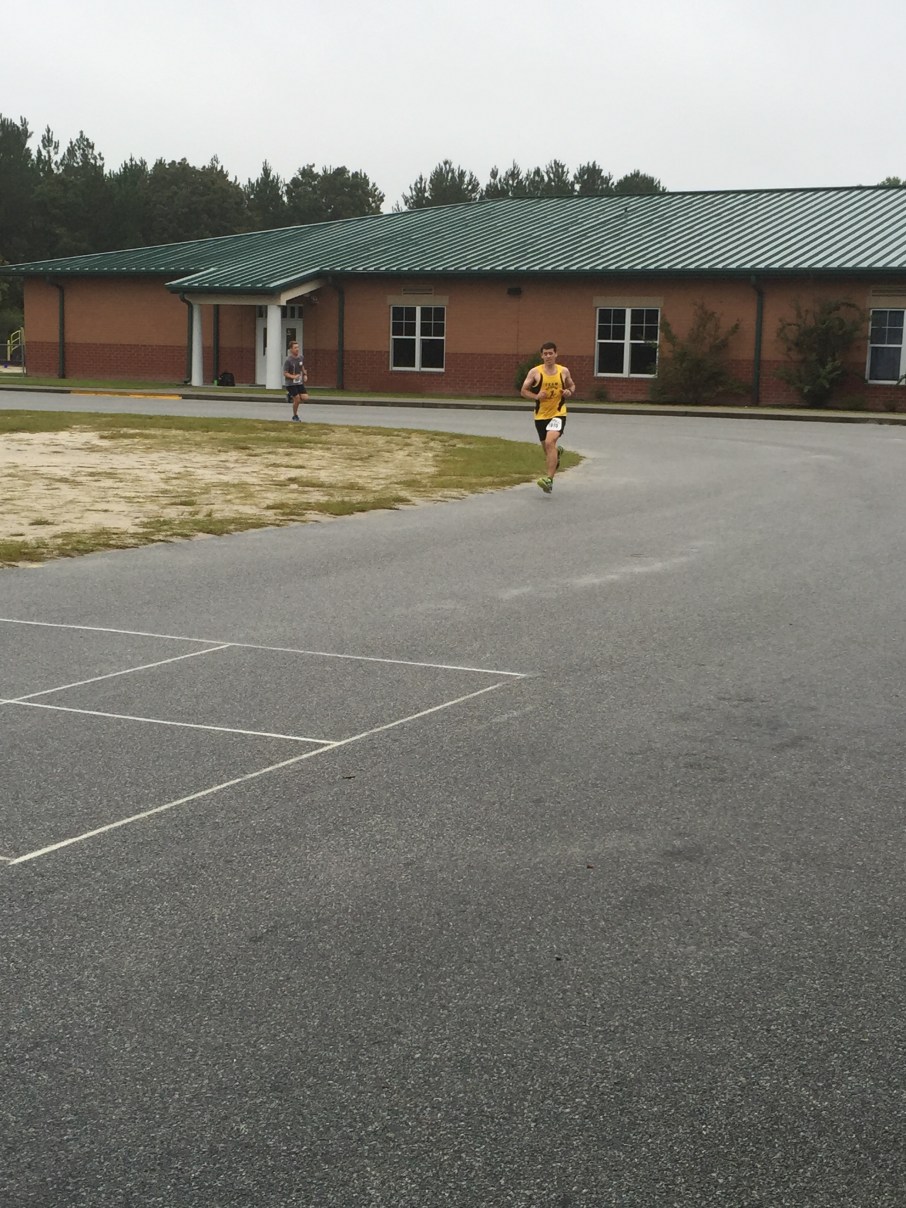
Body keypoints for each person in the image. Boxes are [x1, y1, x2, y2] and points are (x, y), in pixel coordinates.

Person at [520, 341, 576, 493]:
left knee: (550, 442)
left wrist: (569, 392)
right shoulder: (535, 372)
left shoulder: (563, 371)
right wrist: (536, 396)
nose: (548, 356)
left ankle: (549, 480)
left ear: (556, 354)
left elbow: (572, 385)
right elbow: (523, 391)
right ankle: (557, 453)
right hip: (540, 416)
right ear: (542, 356)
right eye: (545, 354)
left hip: (558, 413)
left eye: (551, 353)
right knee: (548, 450)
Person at [283, 340, 309, 421]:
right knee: (297, 399)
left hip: (299, 382)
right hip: (290, 383)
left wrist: (305, 375)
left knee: (305, 398)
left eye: (298, 347)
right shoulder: (288, 361)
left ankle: (290, 395)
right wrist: (293, 377)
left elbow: (302, 367)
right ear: (291, 349)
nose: (297, 349)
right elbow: (285, 373)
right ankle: (295, 416)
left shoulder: (301, 357)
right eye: (295, 348)